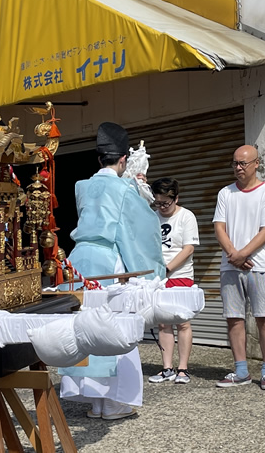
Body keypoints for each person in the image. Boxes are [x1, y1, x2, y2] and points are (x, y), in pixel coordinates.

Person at [58, 122, 165, 420]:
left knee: (84, 327)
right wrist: (152, 273)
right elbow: (139, 231)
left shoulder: (83, 186)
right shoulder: (124, 188)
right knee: (114, 329)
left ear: (97, 159)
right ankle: (114, 403)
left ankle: (93, 401)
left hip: (80, 261)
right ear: (122, 161)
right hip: (109, 260)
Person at [212, 145, 265, 390]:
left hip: (260, 266)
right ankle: (240, 370)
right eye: (235, 163)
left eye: (243, 163)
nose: (238, 168)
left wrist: (243, 254)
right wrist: (234, 255)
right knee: (234, 318)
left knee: (264, 317)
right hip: (230, 267)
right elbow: (219, 227)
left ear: (256, 164)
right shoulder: (225, 193)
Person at [146, 178, 198, 385]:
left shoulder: (186, 217)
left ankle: (183, 369)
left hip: (180, 275)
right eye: (158, 203)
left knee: (182, 321)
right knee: (162, 321)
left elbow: (189, 248)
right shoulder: (152, 218)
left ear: (176, 198)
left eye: (166, 203)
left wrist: (168, 268)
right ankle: (167, 367)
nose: (162, 207)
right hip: (158, 278)